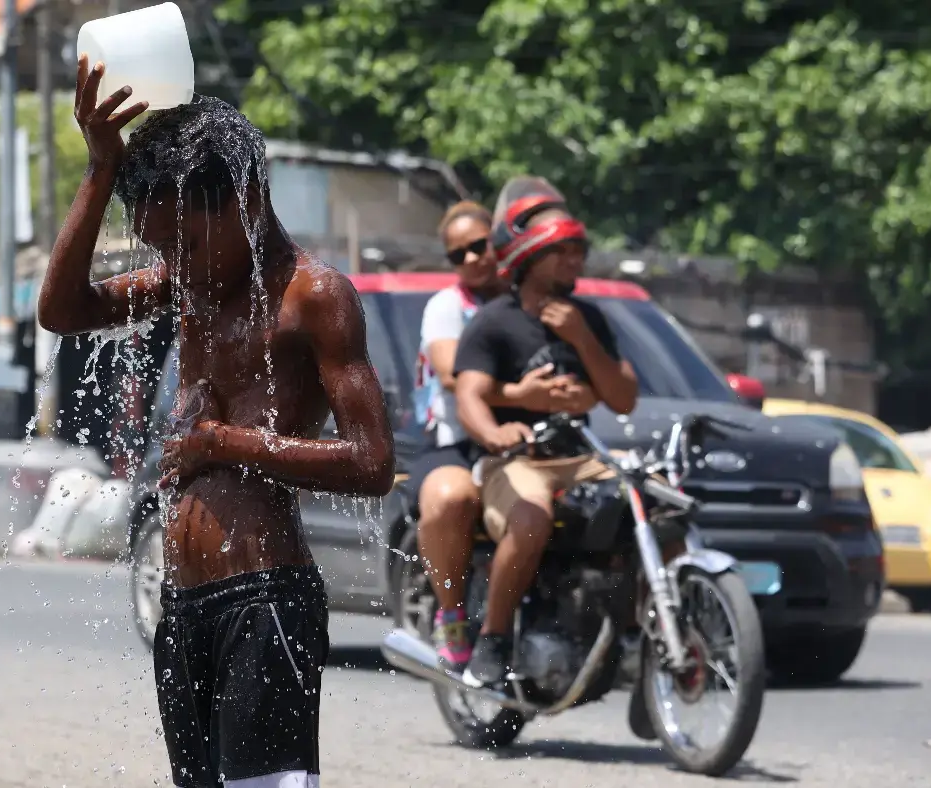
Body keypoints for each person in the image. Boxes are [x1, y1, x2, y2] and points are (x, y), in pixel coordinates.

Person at [38, 58, 396, 788]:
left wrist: (223, 443)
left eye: (187, 244)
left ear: (248, 199)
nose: (177, 264)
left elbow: (371, 462)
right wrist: (100, 169)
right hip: (183, 604)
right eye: (162, 249)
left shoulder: (314, 297)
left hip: (265, 599)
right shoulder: (188, 283)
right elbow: (62, 310)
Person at [453, 176, 639, 686]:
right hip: (517, 461)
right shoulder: (494, 322)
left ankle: (642, 638)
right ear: (529, 257)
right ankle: (492, 638)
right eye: (562, 252)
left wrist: (581, 338)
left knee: (656, 503)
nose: (575, 261)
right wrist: (495, 434)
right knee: (531, 517)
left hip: (582, 458)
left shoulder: (589, 319)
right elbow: (469, 395)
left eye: (579, 252)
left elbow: (623, 397)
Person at [411, 201, 564, 672]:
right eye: (459, 254)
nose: (473, 258)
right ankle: (452, 614)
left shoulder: (530, 301)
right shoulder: (447, 306)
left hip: (529, 442)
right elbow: (452, 376)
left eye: (480, 245)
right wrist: (522, 393)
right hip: (458, 443)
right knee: (451, 498)